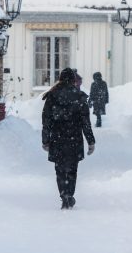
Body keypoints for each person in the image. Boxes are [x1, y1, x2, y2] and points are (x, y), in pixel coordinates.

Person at [41, 68, 95, 209]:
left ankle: (64, 195)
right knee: (72, 169)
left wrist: (45, 140)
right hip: (74, 138)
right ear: (73, 80)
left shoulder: (52, 96)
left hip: (57, 138)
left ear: (60, 79)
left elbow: (46, 120)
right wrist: (91, 141)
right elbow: (85, 122)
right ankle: (69, 195)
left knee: (59, 169)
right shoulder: (79, 97)